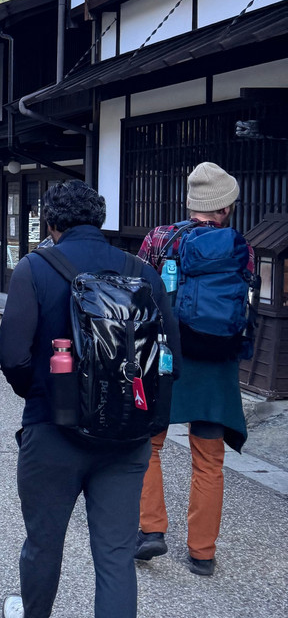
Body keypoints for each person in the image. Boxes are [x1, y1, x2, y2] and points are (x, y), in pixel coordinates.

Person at [0, 180, 178, 618]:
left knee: (44, 543)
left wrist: (42, 395)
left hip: (53, 430)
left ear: (52, 223)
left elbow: (12, 355)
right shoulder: (141, 270)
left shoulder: (34, 268)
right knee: (115, 554)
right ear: (99, 220)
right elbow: (171, 351)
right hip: (126, 434)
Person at [134, 162, 252, 577]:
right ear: (225, 207)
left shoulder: (161, 238)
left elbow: (140, 292)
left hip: (168, 357)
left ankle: (151, 530)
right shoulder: (241, 245)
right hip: (216, 363)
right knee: (209, 459)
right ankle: (202, 552)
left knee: (150, 447)